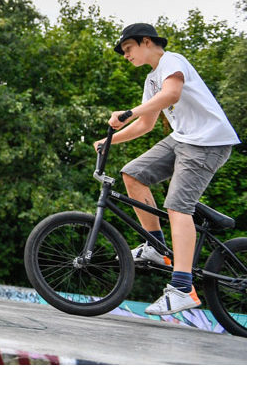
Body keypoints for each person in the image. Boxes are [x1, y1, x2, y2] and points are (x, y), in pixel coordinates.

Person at [98, 22, 241, 317]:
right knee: (133, 173)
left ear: (146, 42)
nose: (126, 56)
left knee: (177, 206)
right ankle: (157, 246)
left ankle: (183, 287)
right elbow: (146, 123)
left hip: (209, 142)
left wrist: (127, 114)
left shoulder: (171, 61)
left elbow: (172, 94)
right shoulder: (151, 80)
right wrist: (109, 140)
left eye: (128, 49)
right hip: (183, 139)